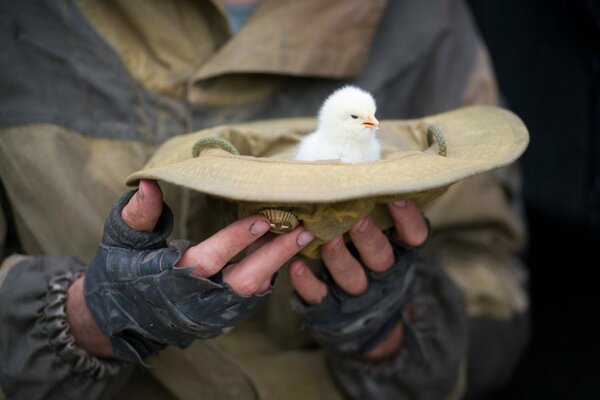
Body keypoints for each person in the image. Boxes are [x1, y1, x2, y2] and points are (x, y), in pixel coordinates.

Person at [0, 1, 529, 399]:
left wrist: (390, 333)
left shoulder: (421, 21)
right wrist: (84, 317)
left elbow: (492, 282)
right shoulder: (24, 22)